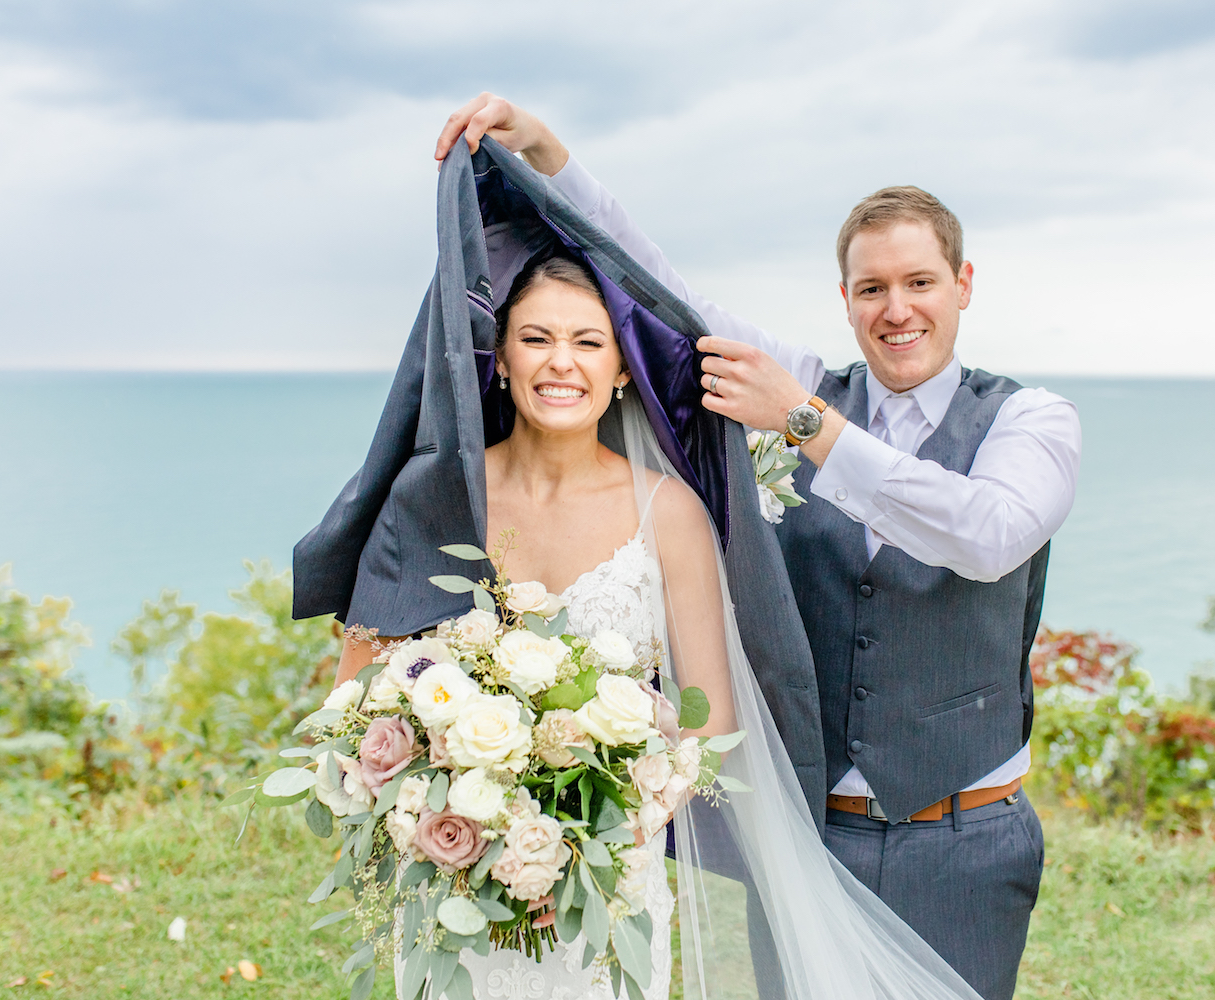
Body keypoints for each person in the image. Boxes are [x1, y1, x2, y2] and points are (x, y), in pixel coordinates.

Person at [297, 135, 992, 999]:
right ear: (501, 361)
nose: (562, 362)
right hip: (451, 885)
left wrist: (591, 832)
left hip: (607, 889)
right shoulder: (433, 496)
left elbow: (704, 723)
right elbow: (356, 691)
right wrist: (443, 808)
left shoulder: (671, 514)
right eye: (536, 339)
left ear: (623, 368)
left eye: (588, 342)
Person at [433, 94, 1082, 1000]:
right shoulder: (809, 384)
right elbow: (661, 287)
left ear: (962, 284)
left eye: (920, 283)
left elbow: (987, 535)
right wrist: (547, 154)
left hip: (963, 842)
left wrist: (808, 425)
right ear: (847, 300)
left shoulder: (1029, 419)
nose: (897, 309)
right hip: (813, 834)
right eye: (872, 288)